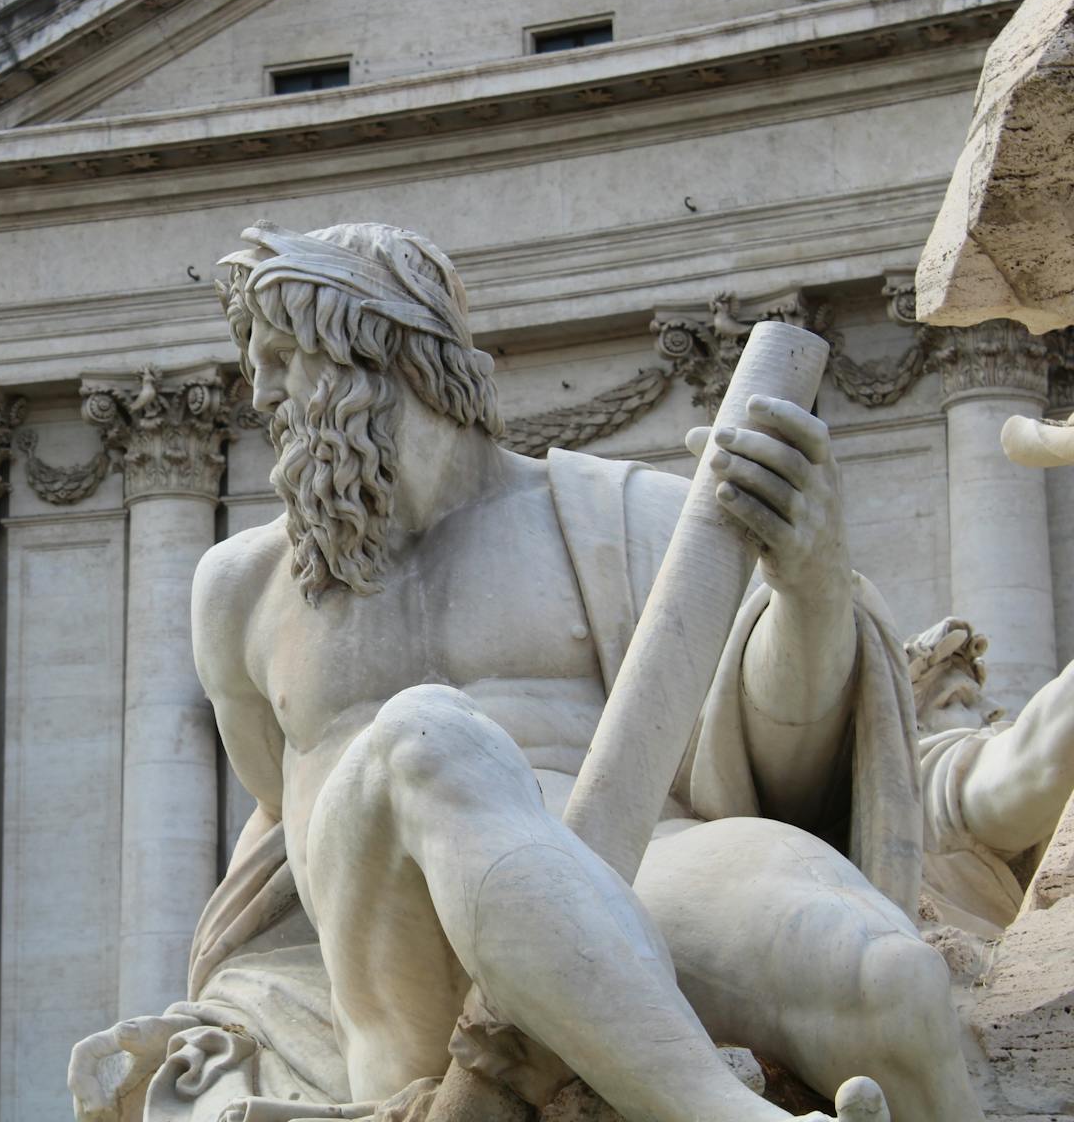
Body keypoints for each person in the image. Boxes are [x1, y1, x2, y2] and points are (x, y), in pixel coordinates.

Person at [78, 221, 985, 1122]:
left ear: (389, 350)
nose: (260, 391)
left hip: (638, 873)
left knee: (893, 983)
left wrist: (811, 587)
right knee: (424, 741)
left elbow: (785, 771)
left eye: (284, 354)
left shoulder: (632, 516)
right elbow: (285, 834)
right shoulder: (242, 591)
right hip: (405, 942)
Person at [907, 617, 1074, 937]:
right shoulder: (928, 773)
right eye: (958, 699)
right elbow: (1044, 765)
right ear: (913, 726)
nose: (995, 709)